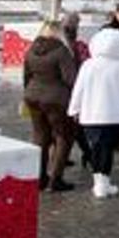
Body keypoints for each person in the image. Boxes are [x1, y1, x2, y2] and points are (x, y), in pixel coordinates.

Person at [67, 24, 119, 199]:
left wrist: (73, 109)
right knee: (107, 149)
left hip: (90, 115)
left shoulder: (88, 65)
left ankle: (98, 181)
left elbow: (79, 89)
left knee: (95, 148)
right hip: (114, 116)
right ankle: (103, 183)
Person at [23, 20, 76, 191]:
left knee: (40, 138)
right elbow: (70, 79)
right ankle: (56, 180)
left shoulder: (31, 49)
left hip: (32, 97)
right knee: (63, 138)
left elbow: (26, 76)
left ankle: (39, 178)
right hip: (56, 100)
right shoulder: (62, 51)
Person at [62, 12, 93, 170]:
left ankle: (64, 157)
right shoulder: (79, 47)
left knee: (67, 128)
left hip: (63, 91)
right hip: (74, 89)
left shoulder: (59, 46)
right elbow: (87, 65)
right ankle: (87, 153)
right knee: (75, 127)